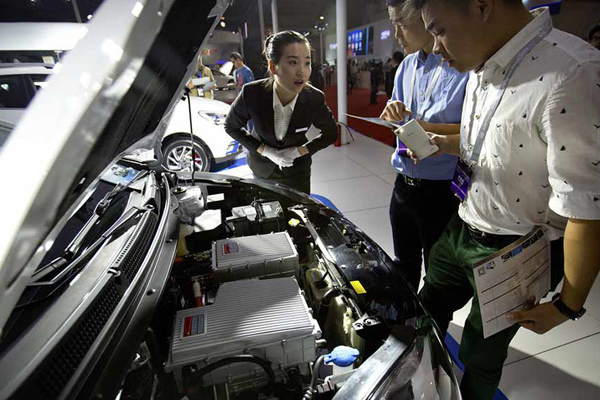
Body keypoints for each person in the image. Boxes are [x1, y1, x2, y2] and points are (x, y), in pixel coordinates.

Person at [410, 0, 600, 398]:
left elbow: (587, 207)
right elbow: (498, 138)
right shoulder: (485, 61)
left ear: (481, 6)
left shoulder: (573, 72)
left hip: (517, 250)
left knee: (481, 356)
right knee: (423, 312)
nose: (436, 46)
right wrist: (444, 143)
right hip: (463, 221)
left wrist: (567, 304)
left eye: (440, 29)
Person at [379, 0, 468, 290]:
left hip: (442, 190)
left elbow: (477, 129)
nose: (396, 34)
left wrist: (424, 128)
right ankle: (406, 321)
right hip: (403, 183)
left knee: (438, 273)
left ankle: (432, 329)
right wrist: (394, 114)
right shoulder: (406, 65)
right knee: (402, 264)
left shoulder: (463, 65)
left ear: (425, 18)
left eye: (400, 24)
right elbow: (397, 115)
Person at [224, 31, 338, 194]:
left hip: (297, 170)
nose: (302, 72)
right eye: (293, 62)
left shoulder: (313, 98)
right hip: (263, 168)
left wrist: (300, 151)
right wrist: (267, 151)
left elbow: (331, 133)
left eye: (307, 63)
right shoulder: (253, 93)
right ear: (272, 67)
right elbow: (231, 126)